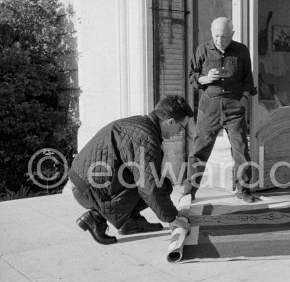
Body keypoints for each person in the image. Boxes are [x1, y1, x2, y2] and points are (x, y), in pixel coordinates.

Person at [70, 95, 194, 245]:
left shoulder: (142, 124)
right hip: (88, 189)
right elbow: (150, 186)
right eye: (181, 128)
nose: (180, 132)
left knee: (162, 185)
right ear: (170, 122)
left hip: (85, 181)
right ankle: (96, 218)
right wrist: (174, 219)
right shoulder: (146, 137)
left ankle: (130, 222)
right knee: (156, 186)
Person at [181, 17, 255, 203]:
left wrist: (243, 100)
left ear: (232, 34)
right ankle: (189, 191)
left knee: (240, 149)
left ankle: (243, 190)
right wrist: (205, 79)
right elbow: (192, 75)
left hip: (234, 106)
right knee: (200, 150)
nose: (219, 40)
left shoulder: (242, 51)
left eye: (224, 36)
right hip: (209, 106)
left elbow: (248, 79)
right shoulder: (203, 49)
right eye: (216, 36)